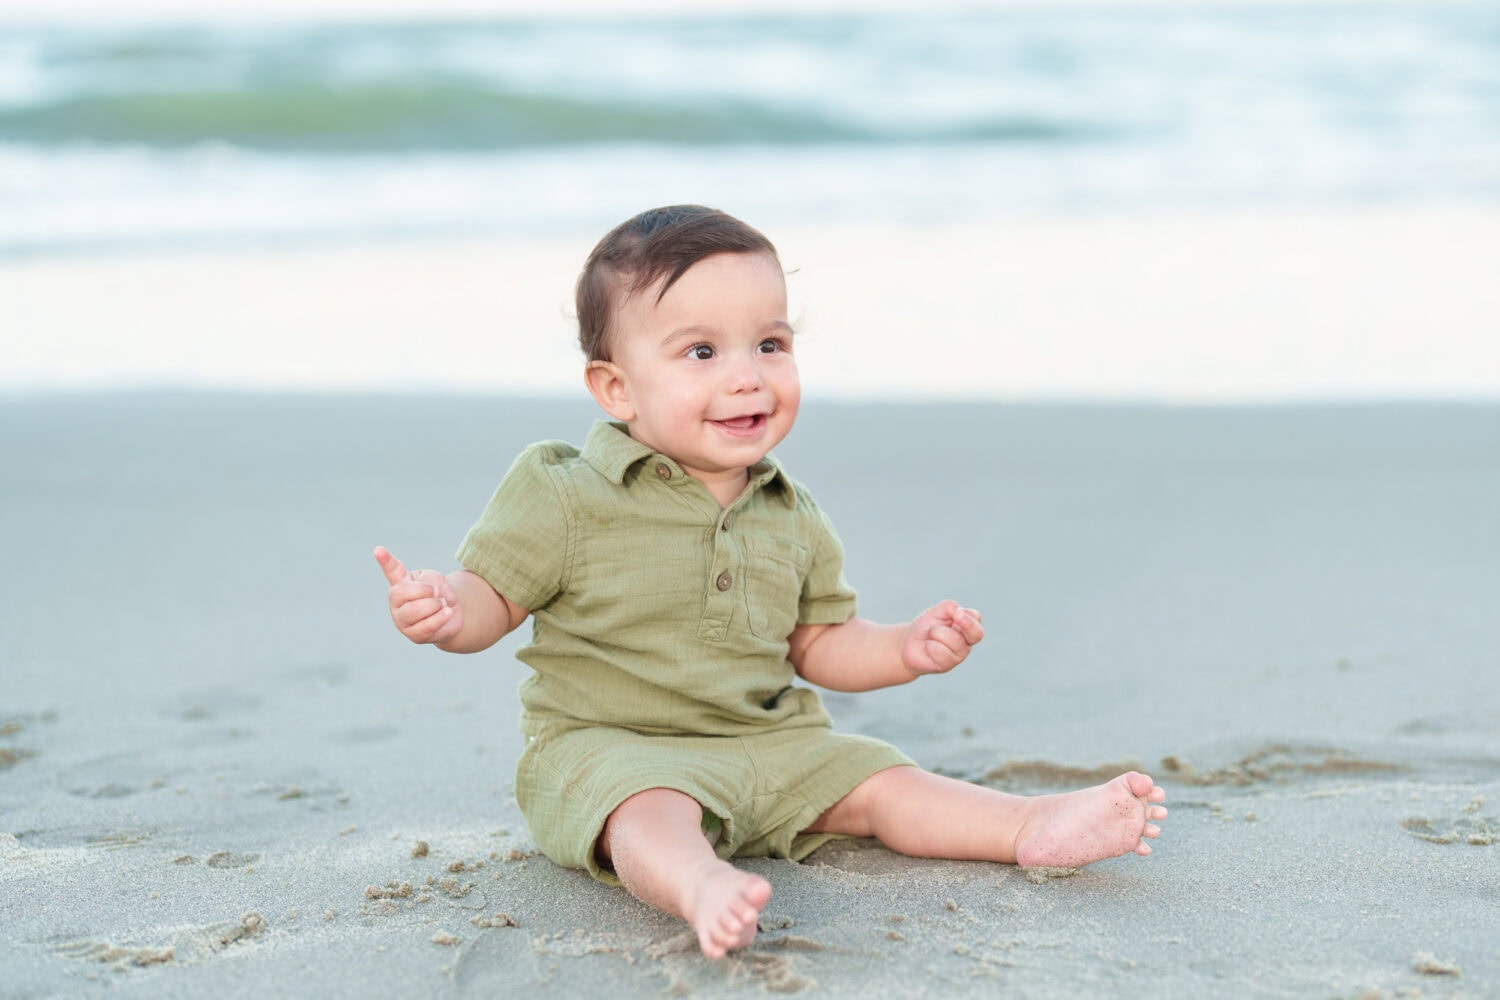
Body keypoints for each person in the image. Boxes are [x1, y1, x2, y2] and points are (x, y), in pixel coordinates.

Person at [375, 205, 1167, 959]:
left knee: (881, 778)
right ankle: (697, 882)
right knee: (646, 811)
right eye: (701, 353)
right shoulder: (567, 490)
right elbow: (494, 598)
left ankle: (1029, 826)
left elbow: (820, 643)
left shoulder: (790, 510)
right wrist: (448, 610)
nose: (749, 377)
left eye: (770, 344)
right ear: (616, 389)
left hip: (767, 745)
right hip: (609, 749)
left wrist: (904, 647)